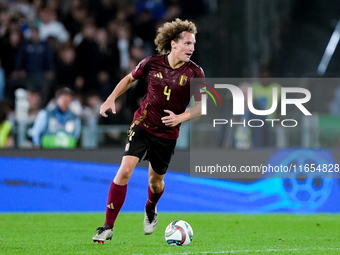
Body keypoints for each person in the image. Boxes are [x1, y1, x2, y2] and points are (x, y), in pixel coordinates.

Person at [92, 18, 204, 243]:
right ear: (173, 43)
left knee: (155, 183)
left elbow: (203, 106)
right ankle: (107, 227)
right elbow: (129, 79)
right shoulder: (151, 63)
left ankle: (151, 207)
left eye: (193, 44)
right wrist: (111, 98)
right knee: (124, 171)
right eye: (187, 43)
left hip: (167, 134)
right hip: (143, 124)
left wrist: (180, 118)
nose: (192, 48)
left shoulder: (195, 73)